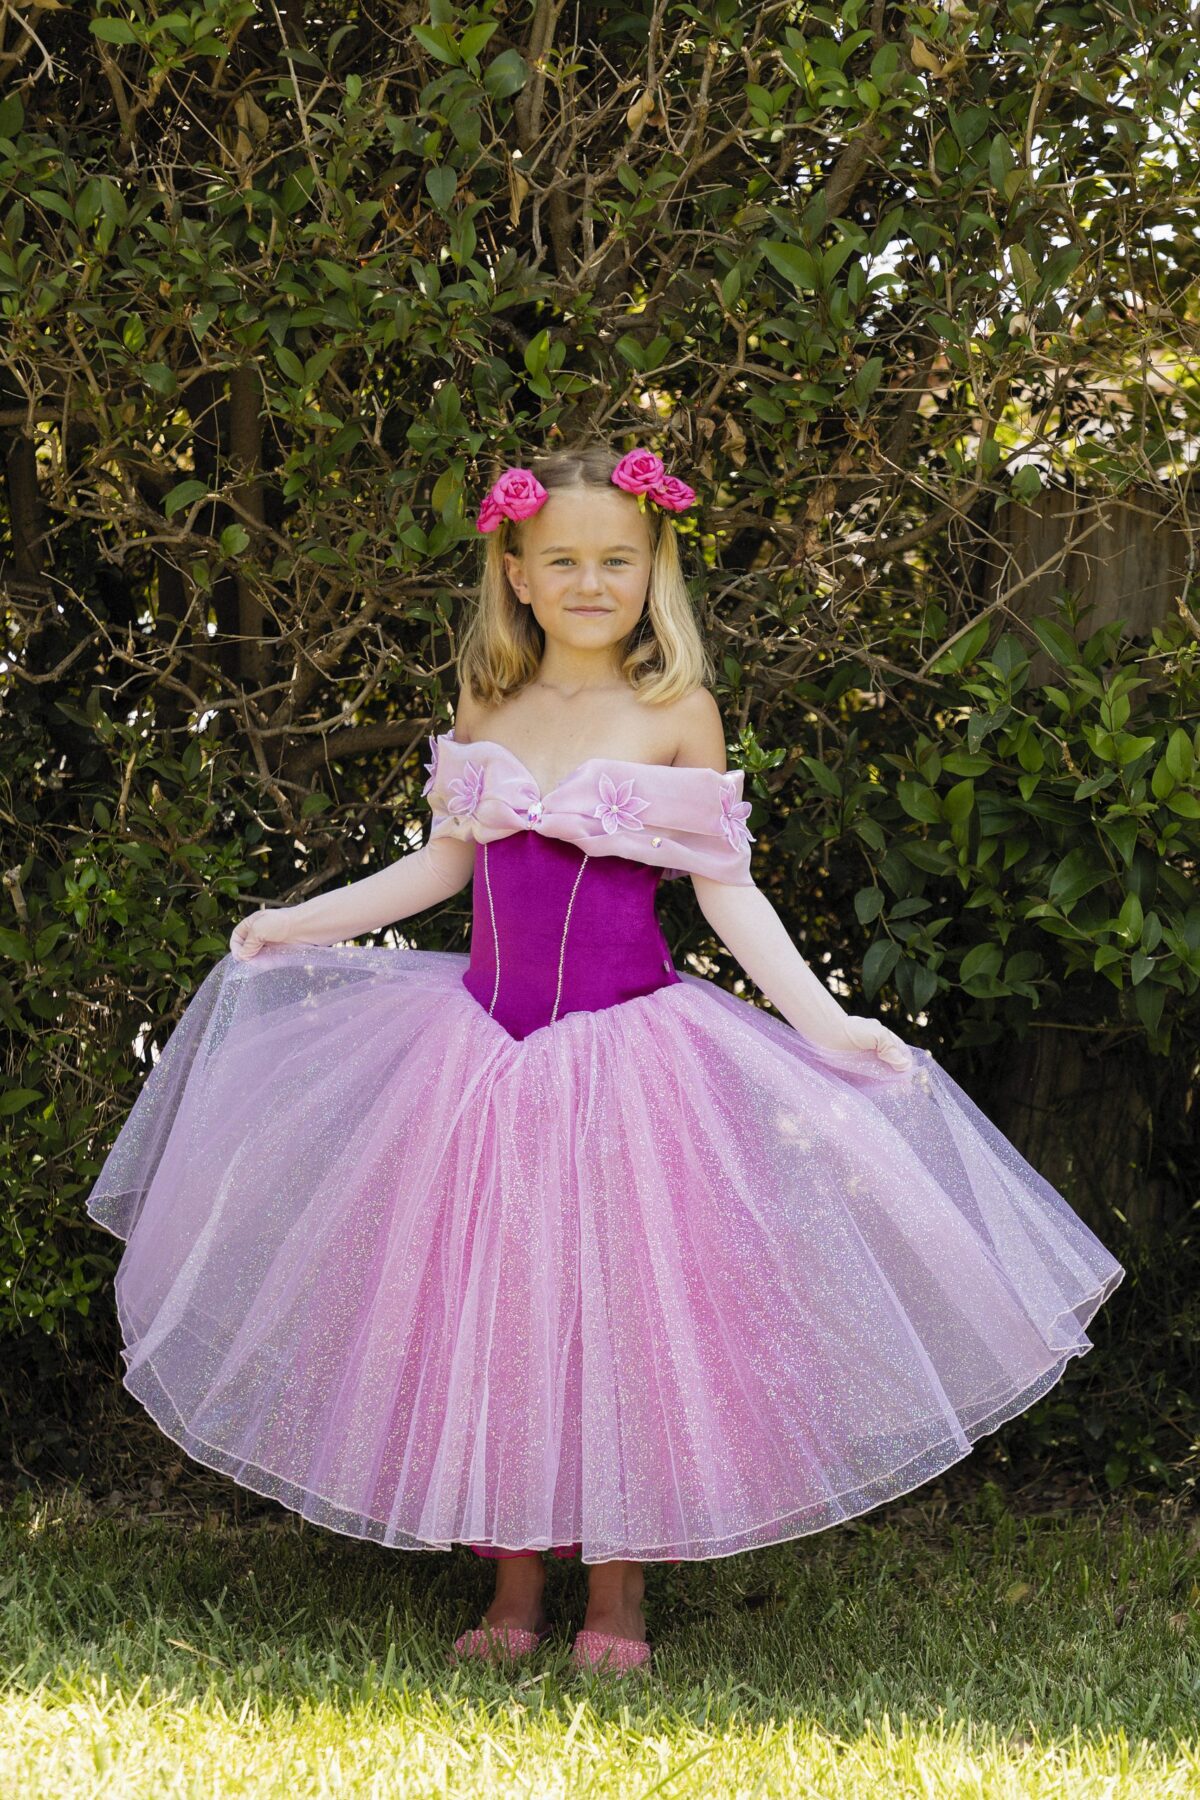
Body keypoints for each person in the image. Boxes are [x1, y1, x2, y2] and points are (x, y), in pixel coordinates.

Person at [84, 443, 1125, 1680]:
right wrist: (303, 922)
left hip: (626, 1064)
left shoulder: (675, 711)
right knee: (494, 1314)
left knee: (628, 1323)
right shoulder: (488, 703)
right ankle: (514, 1581)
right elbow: (445, 866)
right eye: (564, 560)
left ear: (653, 571)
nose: (591, 583)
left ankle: (618, 1594)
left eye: (617, 561)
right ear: (516, 573)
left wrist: (825, 1024)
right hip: (477, 1057)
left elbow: (727, 890)